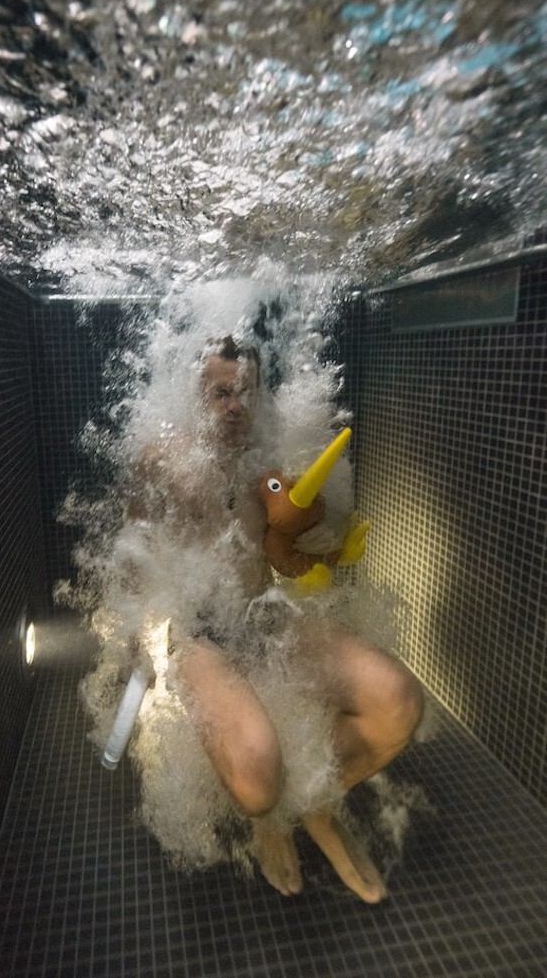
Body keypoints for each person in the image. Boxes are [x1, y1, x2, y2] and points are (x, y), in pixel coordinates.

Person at [124, 335, 424, 903]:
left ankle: (314, 805)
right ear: (196, 394)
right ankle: (270, 816)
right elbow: (134, 556)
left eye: (245, 393)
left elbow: (297, 535)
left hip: (264, 619)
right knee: (258, 780)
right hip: (201, 636)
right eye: (220, 393)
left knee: (398, 701)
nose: (235, 405)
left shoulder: (268, 466)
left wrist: (324, 539)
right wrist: (140, 636)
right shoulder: (160, 461)